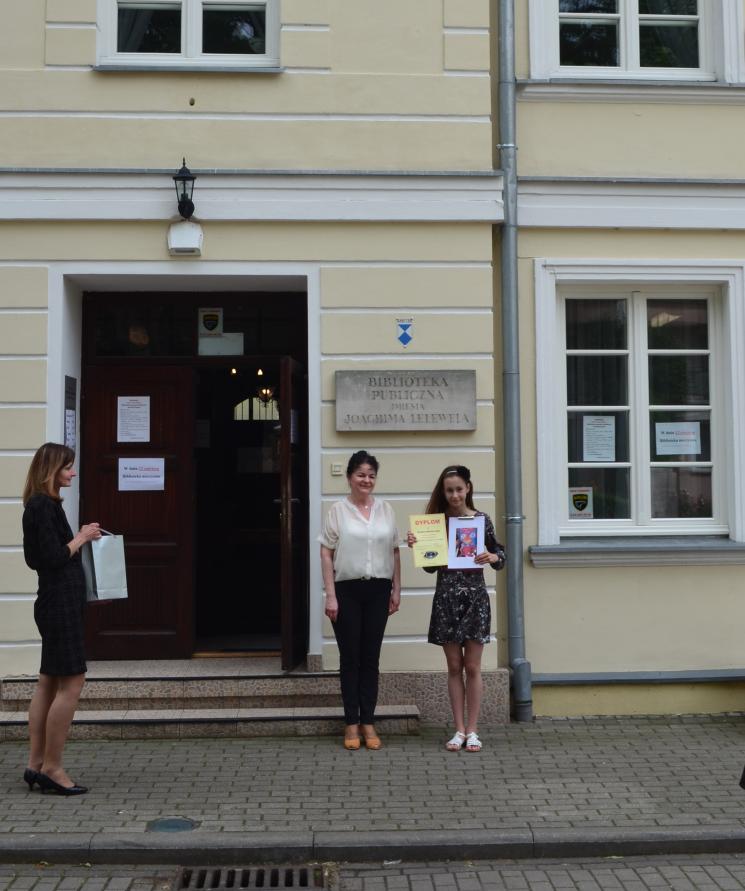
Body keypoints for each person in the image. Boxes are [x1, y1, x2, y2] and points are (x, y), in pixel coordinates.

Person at [21, 442, 101, 795]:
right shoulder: (41, 505)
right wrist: (82, 537)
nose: (73, 472)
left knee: (48, 682)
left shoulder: (42, 505)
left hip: (55, 603)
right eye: (68, 467)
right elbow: (51, 557)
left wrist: (78, 536)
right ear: (52, 470)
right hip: (59, 606)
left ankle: (36, 764)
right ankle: (52, 767)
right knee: (72, 682)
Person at [407, 465, 505, 753]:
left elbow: (501, 555)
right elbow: (428, 566)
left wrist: (492, 555)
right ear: (444, 492)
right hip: (447, 599)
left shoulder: (481, 520)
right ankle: (458, 729)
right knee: (453, 666)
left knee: (473, 667)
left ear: (468, 488)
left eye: (459, 489)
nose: (454, 495)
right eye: (449, 490)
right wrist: (418, 545)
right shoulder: (435, 524)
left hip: (475, 599)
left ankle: (473, 730)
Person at [320, 450, 401, 750]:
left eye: (371, 475)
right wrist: (331, 595)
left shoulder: (386, 510)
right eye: (361, 474)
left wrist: (397, 589)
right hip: (347, 591)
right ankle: (351, 723)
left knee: (370, 658)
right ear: (350, 477)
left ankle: (369, 721)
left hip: (378, 590)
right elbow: (326, 553)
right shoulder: (337, 511)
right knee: (350, 658)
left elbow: (394, 550)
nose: (366, 480)